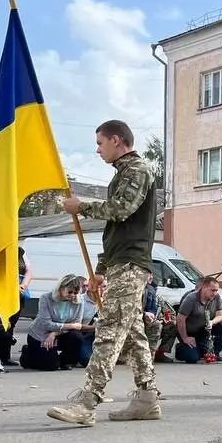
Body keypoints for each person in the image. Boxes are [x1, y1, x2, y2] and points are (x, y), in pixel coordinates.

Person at [47, 120, 161, 425]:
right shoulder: (123, 174)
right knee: (134, 333)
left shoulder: (138, 170)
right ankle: (147, 398)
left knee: (109, 331)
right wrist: (101, 271)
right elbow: (116, 230)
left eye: (100, 143)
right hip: (121, 262)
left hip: (131, 263)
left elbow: (121, 209)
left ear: (116, 140)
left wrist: (80, 206)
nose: (97, 150)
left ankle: (87, 402)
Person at [21, 275, 94, 371]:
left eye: (75, 293)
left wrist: (54, 333)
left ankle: (66, 361)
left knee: (76, 337)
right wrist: (70, 325)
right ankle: (28, 354)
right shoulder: (46, 298)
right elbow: (46, 324)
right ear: (61, 288)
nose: (72, 295)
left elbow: (77, 324)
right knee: (50, 366)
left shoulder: (79, 301)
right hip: (40, 335)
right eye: (70, 292)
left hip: (60, 334)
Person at [175, 277, 222, 364]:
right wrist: (185, 338)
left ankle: (215, 353)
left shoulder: (216, 297)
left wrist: (212, 321)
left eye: (216, 290)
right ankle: (181, 349)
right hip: (189, 332)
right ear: (204, 288)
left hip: (203, 329)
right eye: (212, 290)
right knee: (193, 358)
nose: (215, 293)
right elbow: (180, 319)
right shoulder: (191, 298)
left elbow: (220, 315)